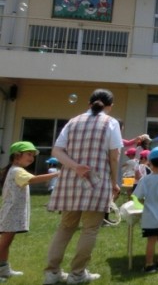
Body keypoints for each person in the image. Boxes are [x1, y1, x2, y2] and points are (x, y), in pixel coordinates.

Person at [43, 89, 122, 285]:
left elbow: (57, 150)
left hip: (70, 180)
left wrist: (75, 166)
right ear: (110, 106)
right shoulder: (110, 123)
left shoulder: (73, 121)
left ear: (89, 104)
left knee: (65, 227)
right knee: (90, 229)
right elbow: (114, 156)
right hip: (97, 182)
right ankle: (77, 274)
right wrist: (114, 182)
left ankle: (51, 273)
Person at [0, 141, 60, 280]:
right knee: (4, 242)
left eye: (33, 155)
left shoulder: (16, 170)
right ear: (16, 155)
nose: (32, 158)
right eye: (28, 154)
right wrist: (57, 175)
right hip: (11, 213)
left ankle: (3, 269)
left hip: (13, 212)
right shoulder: (17, 171)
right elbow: (33, 180)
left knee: (7, 242)